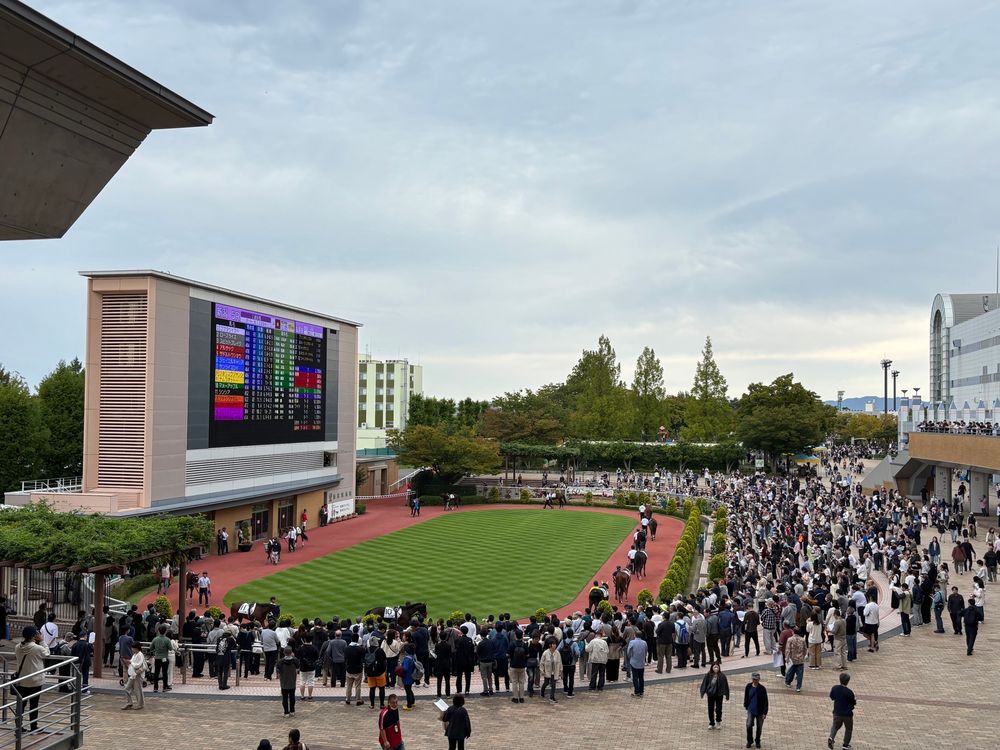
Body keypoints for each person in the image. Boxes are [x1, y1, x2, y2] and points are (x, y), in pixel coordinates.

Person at [14, 626, 50, 730]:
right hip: (35, 680)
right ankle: (33, 726)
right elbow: (47, 653)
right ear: (34, 636)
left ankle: (18, 726)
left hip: (21, 679)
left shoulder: (17, 647)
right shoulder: (37, 648)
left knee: (21, 704)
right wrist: (42, 641)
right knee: (34, 704)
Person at [828, 672, 856, 749]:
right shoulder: (849, 692)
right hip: (847, 714)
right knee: (848, 729)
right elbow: (853, 702)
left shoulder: (835, 688)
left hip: (837, 712)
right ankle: (845, 745)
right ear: (848, 681)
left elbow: (832, 697)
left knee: (835, 726)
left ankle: (831, 737)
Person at [699, 662, 730, 730]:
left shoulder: (722, 676)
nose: (716, 668)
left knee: (719, 709)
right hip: (710, 695)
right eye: (714, 667)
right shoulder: (708, 675)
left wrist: (727, 695)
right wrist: (702, 692)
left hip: (719, 695)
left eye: (717, 667)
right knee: (710, 709)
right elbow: (704, 683)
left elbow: (726, 686)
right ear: (712, 668)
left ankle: (718, 721)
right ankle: (711, 723)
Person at [743, 672, 768, 749]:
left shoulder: (762, 689)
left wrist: (765, 712)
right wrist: (746, 705)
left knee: (759, 727)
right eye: (754, 679)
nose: (755, 681)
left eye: (756, 679)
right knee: (749, 725)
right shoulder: (748, 686)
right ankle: (749, 741)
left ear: (759, 679)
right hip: (751, 709)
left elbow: (765, 701)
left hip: (760, 711)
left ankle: (757, 741)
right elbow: (746, 696)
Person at [366, 637, 388, 709]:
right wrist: (384, 670)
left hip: (370, 673)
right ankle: (382, 704)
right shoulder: (380, 650)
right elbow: (384, 661)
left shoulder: (366, 649)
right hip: (380, 672)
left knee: (372, 689)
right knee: (381, 688)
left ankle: (372, 704)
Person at [277, 646, 300, 716]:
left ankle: (286, 712)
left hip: (284, 682)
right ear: (291, 652)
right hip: (292, 681)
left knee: (284, 698)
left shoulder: (280, 661)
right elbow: (298, 667)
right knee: (292, 697)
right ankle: (292, 711)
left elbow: (278, 670)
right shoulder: (295, 660)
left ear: (284, 653)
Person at [123, 643, 146, 711]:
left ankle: (140, 704)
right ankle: (129, 703)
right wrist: (128, 662)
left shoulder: (140, 654)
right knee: (127, 688)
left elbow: (138, 665)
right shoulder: (135, 654)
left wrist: (130, 662)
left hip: (137, 674)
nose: (132, 649)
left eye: (133, 648)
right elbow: (133, 662)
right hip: (133, 674)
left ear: (137, 648)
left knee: (137, 690)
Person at [150, 625, 172, 692]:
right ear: (165, 631)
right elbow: (170, 648)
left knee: (156, 673)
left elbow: (151, 648)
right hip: (164, 657)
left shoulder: (155, 639)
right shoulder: (167, 640)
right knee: (165, 673)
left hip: (157, 658)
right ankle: (164, 687)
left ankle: (155, 687)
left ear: (159, 631)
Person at [626, 629, 647, 697]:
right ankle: (641, 691)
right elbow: (646, 652)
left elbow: (628, 652)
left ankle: (637, 691)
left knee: (635, 677)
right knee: (641, 677)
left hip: (634, 661)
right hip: (641, 662)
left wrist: (630, 657)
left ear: (635, 635)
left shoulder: (632, 642)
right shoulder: (644, 642)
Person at [538, 636, 560, 701]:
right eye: (553, 644)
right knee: (546, 683)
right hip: (547, 671)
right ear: (550, 645)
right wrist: (542, 670)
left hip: (554, 671)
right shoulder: (545, 653)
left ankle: (552, 697)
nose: (555, 645)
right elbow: (542, 662)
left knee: (553, 684)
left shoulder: (557, 653)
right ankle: (542, 691)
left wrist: (560, 671)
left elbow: (559, 662)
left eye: (555, 644)